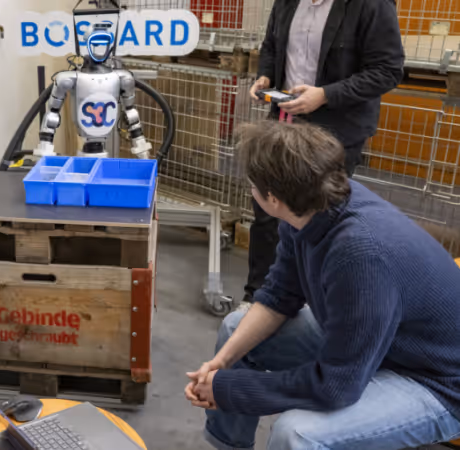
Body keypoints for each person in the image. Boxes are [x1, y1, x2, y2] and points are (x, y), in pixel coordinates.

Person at [185, 122, 460, 450]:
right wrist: (222, 365)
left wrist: (230, 389)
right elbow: (280, 295)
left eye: (252, 185)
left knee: (297, 433)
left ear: (272, 198)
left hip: (434, 379)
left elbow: (336, 386)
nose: (250, 191)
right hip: (376, 343)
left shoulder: (359, 255)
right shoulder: (308, 208)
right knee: (235, 330)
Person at [243, 0, 405, 304]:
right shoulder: (287, 3)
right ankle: (257, 296)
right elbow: (272, 46)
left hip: (336, 130)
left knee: (320, 217)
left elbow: (387, 70)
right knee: (267, 210)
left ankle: (313, 304)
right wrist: (266, 76)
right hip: (285, 124)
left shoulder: (370, 5)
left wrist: (326, 95)